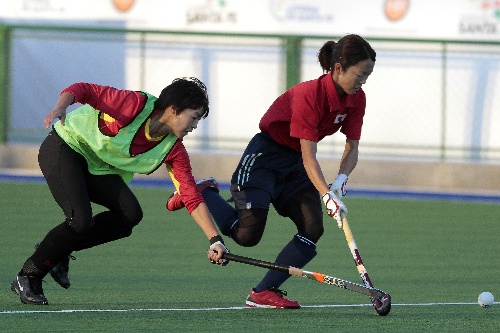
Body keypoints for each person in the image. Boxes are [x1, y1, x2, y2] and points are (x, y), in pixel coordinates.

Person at [167, 34, 376, 308]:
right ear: (338, 68)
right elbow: (308, 154)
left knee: (312, 227)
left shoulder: (356, 99)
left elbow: (352, 146)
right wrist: (326, 195)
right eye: (359, 75)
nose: (362, 83)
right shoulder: (308, 95)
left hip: (295, 165)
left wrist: (339, 181)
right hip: (265, 157)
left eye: (367, 77)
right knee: (246, 236)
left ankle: (263, 291)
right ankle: (204, 192)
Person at [10, 78, 229, 305]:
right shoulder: (134, 106)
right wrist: (61, 107)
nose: (194, 126)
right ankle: (28, 275)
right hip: (65, 147)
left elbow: (191, 196)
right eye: (194, 117)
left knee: (130, 215)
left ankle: (57, 250)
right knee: (79, 220)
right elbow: (85, 90)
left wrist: (215, 241)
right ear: (174, 109)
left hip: (96, 168)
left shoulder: (174, 149)